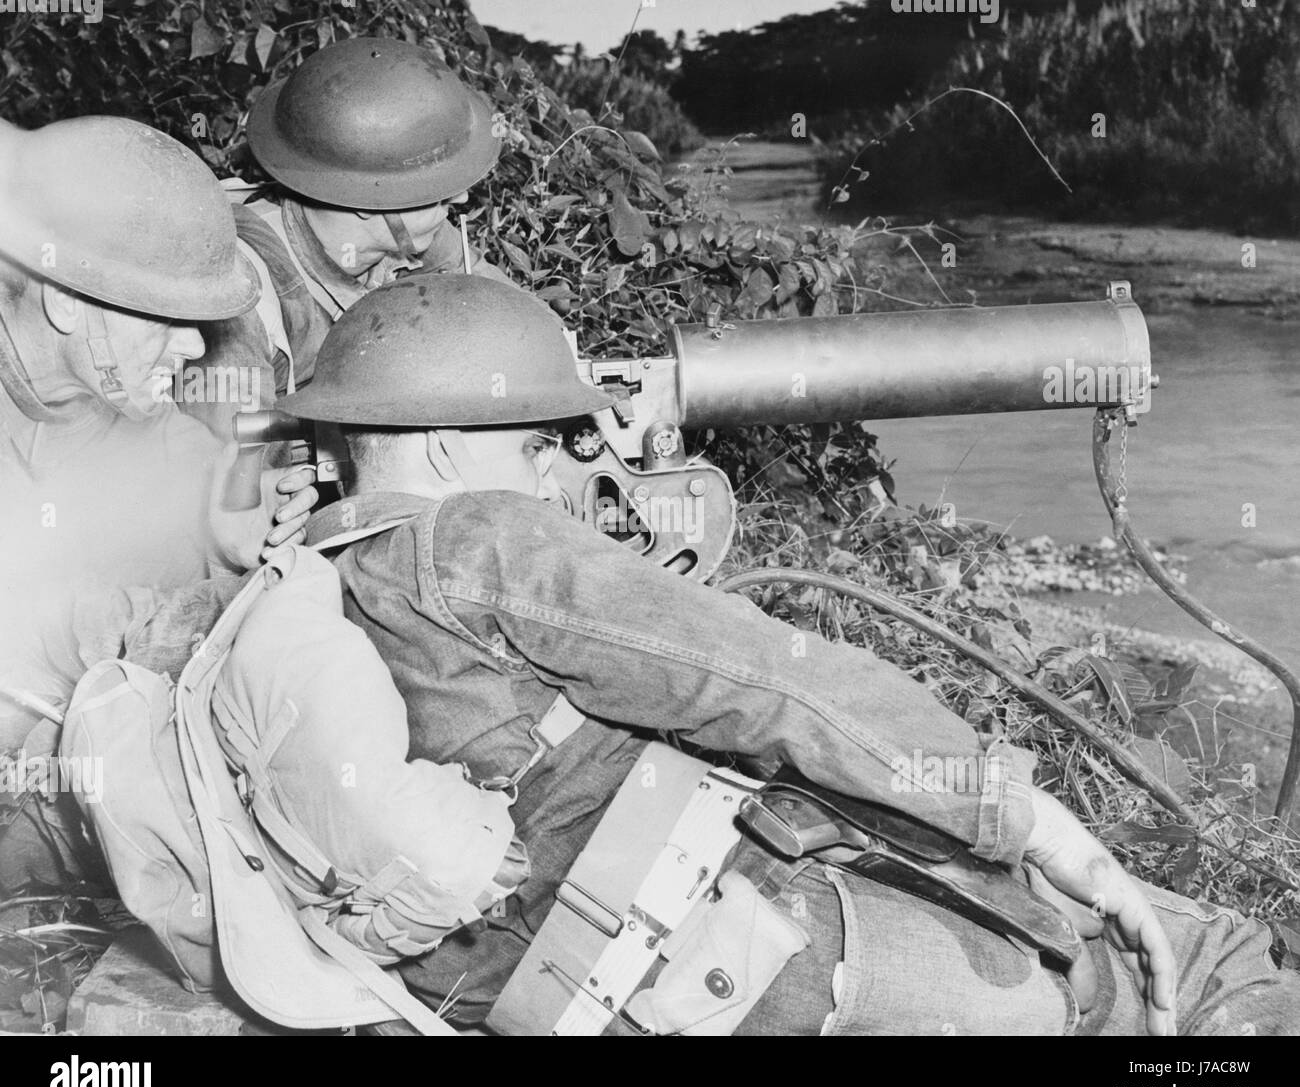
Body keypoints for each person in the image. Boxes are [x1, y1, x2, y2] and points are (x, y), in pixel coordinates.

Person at [264, 273, 1293, 1036]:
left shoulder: (313, 576)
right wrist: (1027, 818)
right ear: (446, 449)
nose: (547, 480)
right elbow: (770, 682)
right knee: (1192, 959)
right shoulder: (476, 536)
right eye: (534, 447)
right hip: (724, 950)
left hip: (549, 981)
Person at [0, 114, 317, 892]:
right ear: (68, 304)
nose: (193, 347)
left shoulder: (154, 432)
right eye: (166, 317)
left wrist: (225, 539)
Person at [193, 36, 509, 438]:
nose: (460, 198)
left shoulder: (414, 232)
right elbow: (219, 455)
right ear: (367, 200)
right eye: (438, 192)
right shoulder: (240, 294)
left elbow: (510, 312)